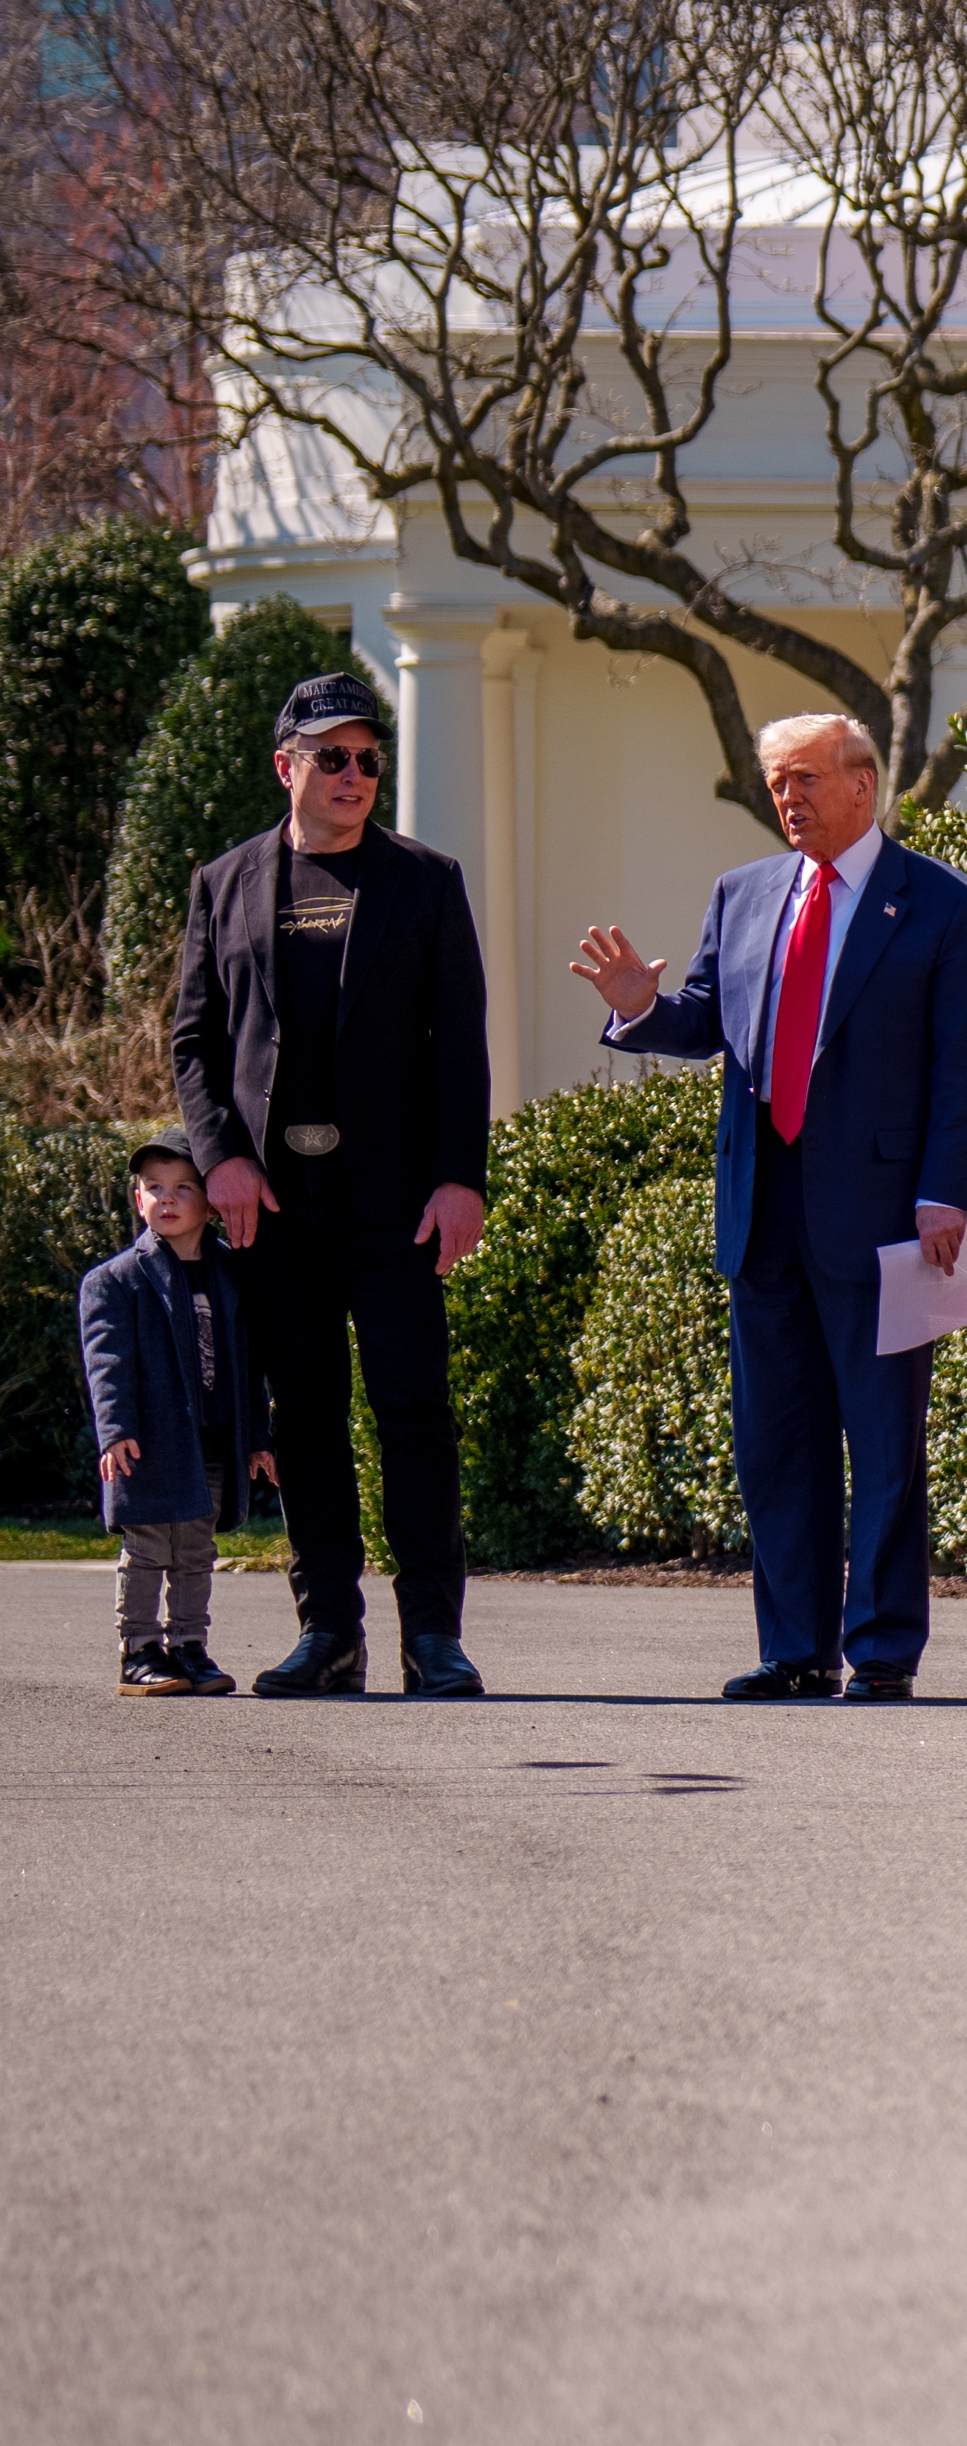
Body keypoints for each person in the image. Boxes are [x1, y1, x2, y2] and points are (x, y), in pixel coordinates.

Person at [570, 709, 967, 1702]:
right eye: (776, 783)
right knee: (777, 1444)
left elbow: (962, 1066)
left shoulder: (937, 903)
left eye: (804, 778)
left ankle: (881, 1649)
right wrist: (640, 1006)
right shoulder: (745, 893)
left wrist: (948, 1193)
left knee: (884, 1442)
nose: (788, 798)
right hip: (763, 1214)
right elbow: (711, 1021)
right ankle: (795, 1648)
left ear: (861, 784)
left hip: (890, 1217)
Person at [172, 670, 491, 1698]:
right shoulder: (224, 884)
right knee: (303, 1417)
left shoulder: (427, 880)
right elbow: (193, 1041)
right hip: (275, 1208)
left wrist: (458, 1178)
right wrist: (218, 1154)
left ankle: (432, 1636)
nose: (355, 776)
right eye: (333, 757)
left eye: (367, 759)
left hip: (395, 1203)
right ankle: (331, 1633)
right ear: (287, 767)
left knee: (413, 1413)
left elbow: (461, 1047)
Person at [79, 1140, 277, 1694]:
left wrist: (257, 1438)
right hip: (149, 1446)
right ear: (137, 1198)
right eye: (154, 1187)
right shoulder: (115, 1280)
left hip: (212, 1443)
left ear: (212, 1203)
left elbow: (247, 1365)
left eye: (183, 1187)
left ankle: (189, 1647)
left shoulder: (231, 1275)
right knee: (146, 1550)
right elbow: (108, 1364)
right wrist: (116, 1432)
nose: (166, 1198)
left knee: (195, 1551)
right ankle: (138, 1649)